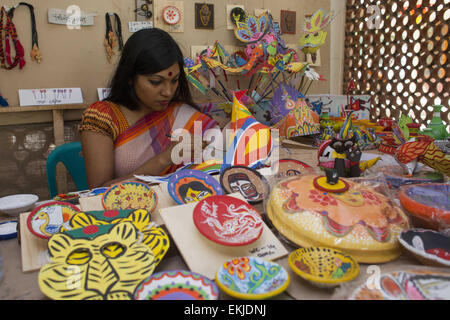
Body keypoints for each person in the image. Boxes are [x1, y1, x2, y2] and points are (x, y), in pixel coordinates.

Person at [79, 28, 218, 188]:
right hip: (124, 210)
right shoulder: (103, 117)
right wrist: (164, 159)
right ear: (130, 77)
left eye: (174, 80)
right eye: (155, 82)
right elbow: (97, 192)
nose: (168, 92)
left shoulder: (179, 113)